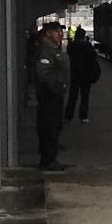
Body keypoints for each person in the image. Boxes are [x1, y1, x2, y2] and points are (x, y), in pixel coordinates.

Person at [32, 21, 70, 171]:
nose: (60, 34)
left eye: (60, 31)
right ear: (48, 33)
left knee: (54, 127)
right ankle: (48, 160)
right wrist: (57, 87)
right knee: (49, 127)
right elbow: (43, 74)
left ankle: (50, 157)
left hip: (54, 96)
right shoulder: (46, 51)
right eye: (56, 31)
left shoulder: (53, 49)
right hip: (49, 97)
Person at [65, 26, 100, 122]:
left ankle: (68, 116)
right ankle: (83, 116)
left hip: (75, 74)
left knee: (72, 96)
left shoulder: (72, 45)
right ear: (83, 36)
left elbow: (69, 52)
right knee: (85, 97)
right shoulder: (87, 45)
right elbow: (94, 56)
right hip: (86, 75)